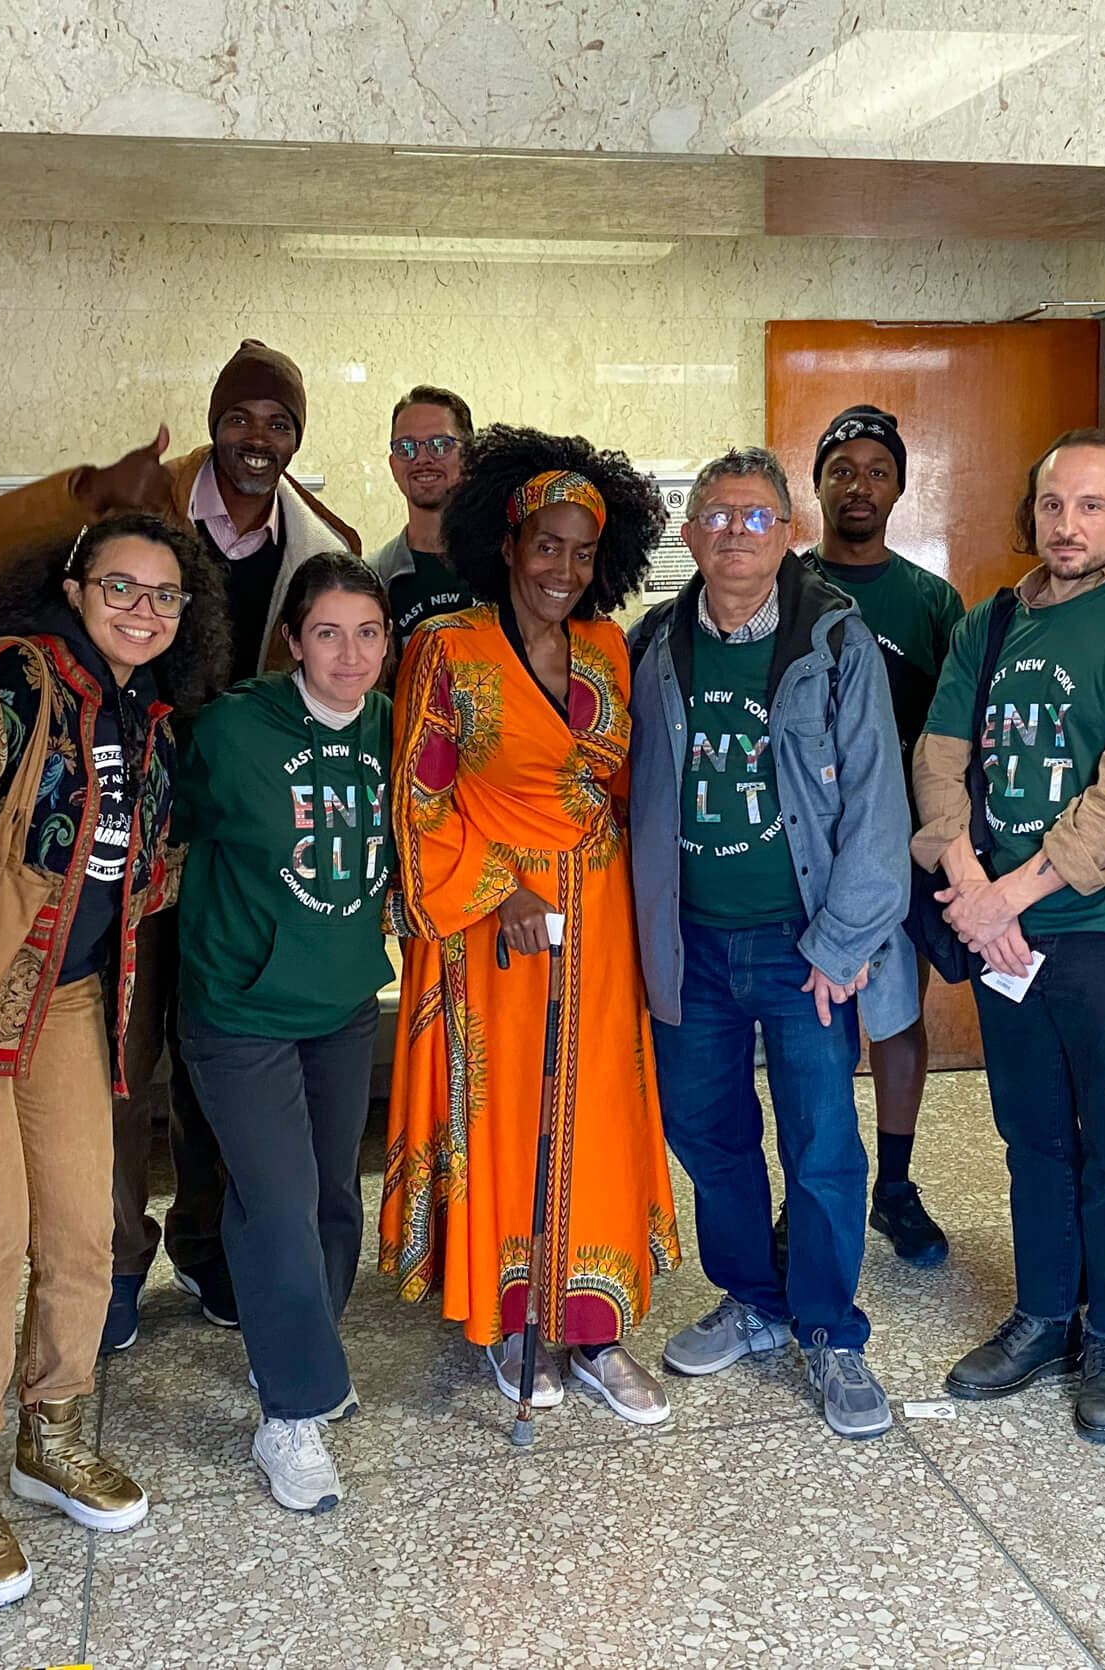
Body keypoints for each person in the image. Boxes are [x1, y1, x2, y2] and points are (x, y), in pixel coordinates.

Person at [0, 339, 363, 1348]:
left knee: (228, 1056)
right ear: (214, 422)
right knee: (122, 1059)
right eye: (241, 417)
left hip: (241, 848)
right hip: (124, 828)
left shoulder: (325, 535)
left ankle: (211, 1247)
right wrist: (90, 491)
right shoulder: (138, 503)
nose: (256, 437)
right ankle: (121, 1260)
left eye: (277, 421)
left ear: (296, 436)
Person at [0, 511, 225, 1606]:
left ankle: (55, 1426)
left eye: (165, 595)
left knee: (83, 1228)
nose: (142, 610)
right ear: (73, 587)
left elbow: (136, 870)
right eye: (120, 586)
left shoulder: (146, 713)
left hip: (68, 1003)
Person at [380, 426, 681, 1425]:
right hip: (491, 928)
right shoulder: (445, 648)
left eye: (582, 550)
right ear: (506, 542)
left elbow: (627, 789)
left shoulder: (606, 646)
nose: (563, 566)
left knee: (592, 1112)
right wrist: (501, 889)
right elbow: (417, 800)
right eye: (545, 543)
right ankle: (515, 1319)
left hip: (597, 924)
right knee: (511, 1114)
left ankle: (591, 1327)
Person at [916, 428, 1105, 1441]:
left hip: (1104, 926)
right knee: (1029, 1131)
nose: (1067, 523)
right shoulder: (990, 622)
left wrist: (1012, 896)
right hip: (999, 922)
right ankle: (1043, 1313)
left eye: (1092, 505)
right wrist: (965, 878)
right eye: (1051, 504)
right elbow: (941, 758)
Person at [631, 447, 916, 1442]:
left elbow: (879, 806)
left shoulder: (833, 640)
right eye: (714, 516)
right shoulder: (653, 645)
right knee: (707, 1136)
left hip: (803, 949)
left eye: (754, 517)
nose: (733, 534)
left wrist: (842, 943)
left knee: (823, 1146)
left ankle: (831, 1328)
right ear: (688, 533)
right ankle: (753, 1298)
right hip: (691, 947)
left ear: (788, 531)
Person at [174, 555, 397, 1515]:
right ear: (293, 641)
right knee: (276, 1203)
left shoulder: (396, 728)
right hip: (240, 1008)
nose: (350, 655)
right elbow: (164, 826)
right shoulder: (234, 730)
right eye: (327, 634)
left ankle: (308, 1354)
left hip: (342, 1001)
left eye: (368, 633)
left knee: (335, 1197)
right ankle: (289, 1414)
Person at [800, 405, 964, 1266]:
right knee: (812, 1027)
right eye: (841, 469)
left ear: (899, 486)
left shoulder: (932, 602)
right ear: (817, 483)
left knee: (897, 1018)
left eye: (876, 470)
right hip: (802, 853)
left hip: (896, 849)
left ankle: (894, 1187)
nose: (858, 485)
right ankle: (811, 1186)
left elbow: (958, 734)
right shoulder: (786, 588)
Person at [370, 385, 478, 638]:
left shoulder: (508, 567)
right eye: (406, 447)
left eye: (440, 445)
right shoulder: (375, 579)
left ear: (470, 457)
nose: (421, 459)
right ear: (393, 465)